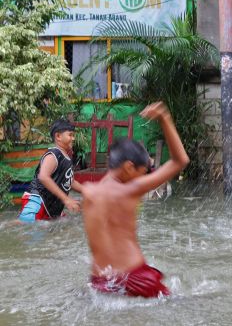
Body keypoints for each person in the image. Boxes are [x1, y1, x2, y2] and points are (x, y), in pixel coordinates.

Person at [80, 102, 189, 298]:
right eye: (142, 172)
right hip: (136, 278)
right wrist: (164, 118)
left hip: (100, 281)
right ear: (129, 167)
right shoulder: (131, 189)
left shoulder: (89, 193)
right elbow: (180, 161)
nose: (143, 178)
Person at [18, 119, 82, 222]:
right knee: (25, 226)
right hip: (37, 199)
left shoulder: (67, 158)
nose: (73, 138)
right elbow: (43, 177)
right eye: (70, 135)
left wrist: (87, 192)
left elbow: (71, 181)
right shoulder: (54, 154)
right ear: (58, 136)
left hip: (51, 206)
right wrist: (66, 199)